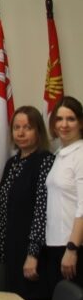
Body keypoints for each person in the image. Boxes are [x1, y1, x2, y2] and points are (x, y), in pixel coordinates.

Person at [0, 106, 54, 300]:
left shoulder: (45, 161)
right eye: (16, 128)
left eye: (27, 128)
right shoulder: (12, 163)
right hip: (9, 252)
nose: (21, 133)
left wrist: (33, 254)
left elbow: (42, 210)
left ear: (38, 131)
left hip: (31, 256)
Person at [46, 96, 83, 290]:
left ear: (80, 123)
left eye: (71, 119)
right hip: (55, 245)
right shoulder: (59, 154)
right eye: (59, 119)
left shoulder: (80, 154)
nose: (64, 124)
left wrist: (72, 248)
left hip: (73, 247)